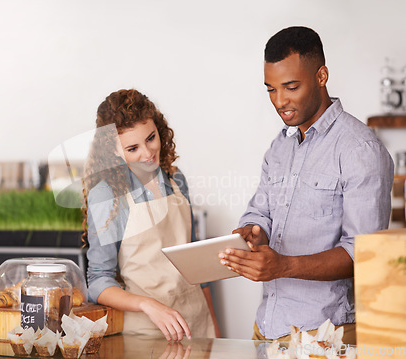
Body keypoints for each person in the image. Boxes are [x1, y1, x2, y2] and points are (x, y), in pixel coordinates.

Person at [218, 26, 394, 344]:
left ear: (321, 76)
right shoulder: (280, 146)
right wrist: (255, 231)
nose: (279, 101)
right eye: (271, 89)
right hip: (267, 327)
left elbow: (364, 254)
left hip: (324, 333)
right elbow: (260, 212)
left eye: (290, 86)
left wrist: (283, 265)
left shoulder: (360, 149)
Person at [83, 89, 218, 341]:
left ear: (159, 128)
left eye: (151, 138)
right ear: (114, 152)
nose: (147, 153)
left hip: (197, 323)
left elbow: (197, 265)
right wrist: (148, 305)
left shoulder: (176, 180)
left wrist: (216, 330)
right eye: (132, 148)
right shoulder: (107, 196)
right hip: (147, 333)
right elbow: (98, 282)